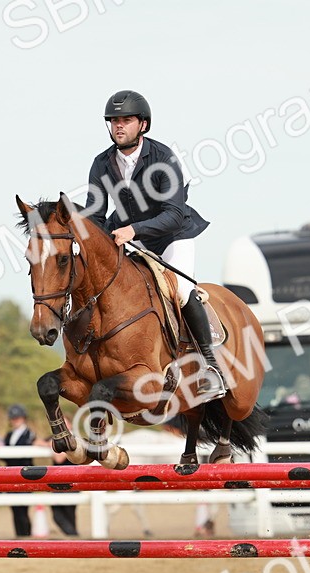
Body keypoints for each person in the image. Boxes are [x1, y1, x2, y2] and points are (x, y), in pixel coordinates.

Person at [85, 89, 225, 402]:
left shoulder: (164, 159)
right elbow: (95, 213)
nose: (119, 126)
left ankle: (210, 367)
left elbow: (174, 214)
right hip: (134, 241)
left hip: (173, 236)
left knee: (180, 291)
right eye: (114, 121)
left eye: (126, 120)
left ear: (143, 125)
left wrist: (132, 229)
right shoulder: (101, 163)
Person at [2, 404, 39, 538]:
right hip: (11, 476)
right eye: (13, 418)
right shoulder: (9, 435)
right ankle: (19, 535)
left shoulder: (29, 433)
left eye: (17, 417)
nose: (15, 420)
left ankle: (26, 535)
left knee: (23, 507)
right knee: (14, 508)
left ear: (23, 418)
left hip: (24, 474)